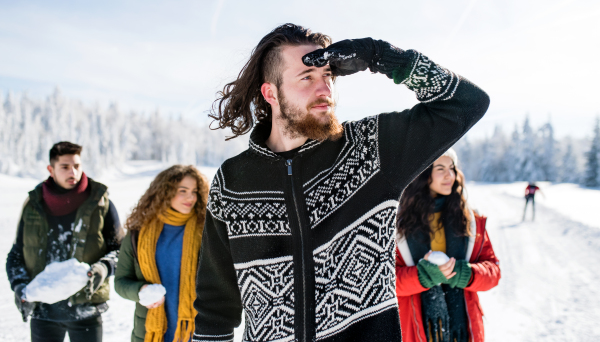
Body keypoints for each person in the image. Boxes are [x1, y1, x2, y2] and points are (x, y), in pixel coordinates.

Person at [192, 24, 490, 342]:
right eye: (307, 77)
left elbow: (467, 103)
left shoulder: (369, 150)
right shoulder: (233, 181)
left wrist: (383, 56)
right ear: (271, 93)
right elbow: (215, 305)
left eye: (327, 76)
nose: (324, 90)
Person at [6, 141, 123, 342]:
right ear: (50, 169)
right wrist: (19, 286)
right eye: (65, 167)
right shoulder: (33, 205)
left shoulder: (101, 203)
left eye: (77, 166)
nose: (73, 172)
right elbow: (16, 254)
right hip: (43, 312)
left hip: (87, 309)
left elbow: (121, 251)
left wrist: (103, 268)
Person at [395, 149, 501, 342]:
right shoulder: (396, 227)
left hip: (464, 330)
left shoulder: (471, 220)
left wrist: (467, 274)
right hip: (416, 329)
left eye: (452, 168)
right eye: (440, 168)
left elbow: (493, 271)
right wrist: (421, 277)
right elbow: (385, 282)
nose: (449, 175)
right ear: (422, 173)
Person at [115, 165, 209, 342]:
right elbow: (121, 281)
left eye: (194, 191)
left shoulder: (207, 232)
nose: (191, 197)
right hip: (150, 334)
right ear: (165, 192)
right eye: (183, 191)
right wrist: (140, 291)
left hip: (197, 333)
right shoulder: (138, 233)